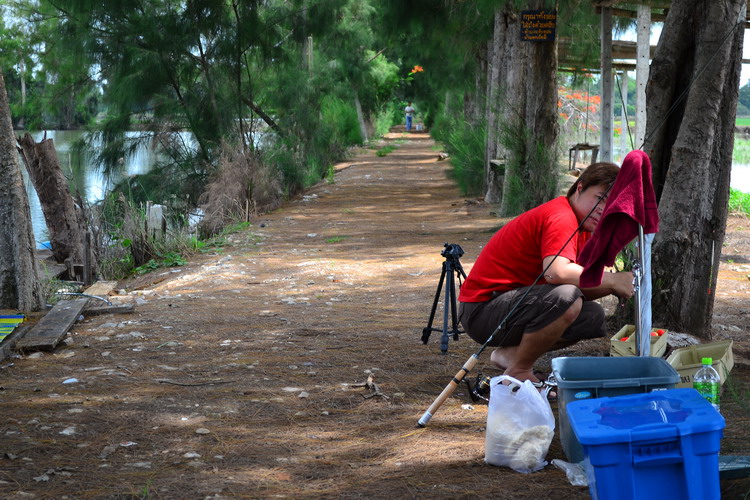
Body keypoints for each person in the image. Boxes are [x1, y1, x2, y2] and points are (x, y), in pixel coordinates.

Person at [458, 163, 634, 393]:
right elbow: (556, 272)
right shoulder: (562, 216)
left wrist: (615, 286)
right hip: (482, 310)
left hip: (509, 307)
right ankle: (519, 371)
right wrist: (611, 279)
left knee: (591, 316)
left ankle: (510, 356)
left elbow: (582, 286)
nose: (603, 208)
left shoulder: (583, 228)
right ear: (579, 188)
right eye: (600, 198)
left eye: (610, 204)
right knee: (568, 298)